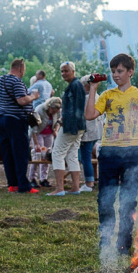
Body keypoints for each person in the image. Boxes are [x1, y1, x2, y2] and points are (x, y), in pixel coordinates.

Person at [85, 53, 138, 255]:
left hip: (133, 153)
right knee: (105, 199)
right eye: (113, 71)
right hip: (109, 152)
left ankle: (123, 245)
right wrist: (93, 89)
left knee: (128, 201)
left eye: (120, 71)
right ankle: (105, 241)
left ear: (130, 72)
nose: (116, 75)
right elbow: (89, 115)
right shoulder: (107, 95)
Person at [0, 58, 41, 193]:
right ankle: (24, 186)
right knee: (20, 153)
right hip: (16, 120)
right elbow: (22, 100)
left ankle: (13, 184)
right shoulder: (16, 81)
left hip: (2, 119)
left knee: (7, 153)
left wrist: (2, 105)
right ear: (21, 68)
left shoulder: (0, 79)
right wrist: (34, 96)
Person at [47, 61, 88, 196]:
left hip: (73, 126)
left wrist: (68, 122)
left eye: (66, 71)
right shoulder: (74, 85)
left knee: (57, 153)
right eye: (62, 71)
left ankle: (59, 189)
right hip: (77, 126)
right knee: (72, 155)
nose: (64, 73)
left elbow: (78, 107)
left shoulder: (76, 86)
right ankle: (75, 188)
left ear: (73, 71)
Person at [28, 97, 61, 189]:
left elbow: (58, 121)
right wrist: (36, 143)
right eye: (53, 110)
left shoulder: (57, 111)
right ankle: (32, 178)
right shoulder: (40, 110)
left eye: (56, 110)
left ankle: (43, 179)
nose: (54, 112)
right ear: (49, 106)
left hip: (49, 134)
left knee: (46, 156)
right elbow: (33, 128)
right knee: (37, 155)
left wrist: (55, 130)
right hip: (38, 133)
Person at [79, 77, 104, 189]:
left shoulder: (86, 98)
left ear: (85, 85)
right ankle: (94, 178)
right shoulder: (98, 97)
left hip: (88, 131)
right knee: (88, 156)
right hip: (96, 131)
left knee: (86, 158)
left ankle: (89, 183)